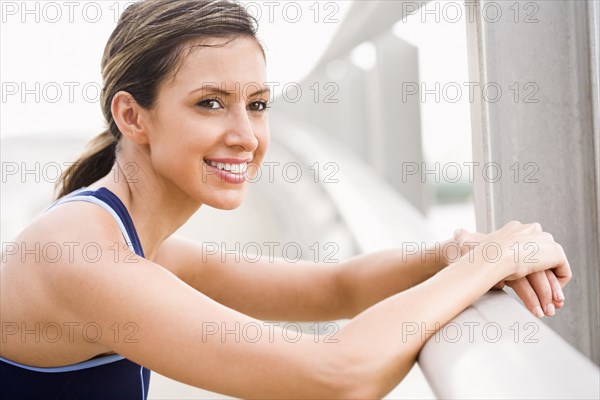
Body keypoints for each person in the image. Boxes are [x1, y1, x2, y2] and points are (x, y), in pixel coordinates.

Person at [0, 0, 572, 398]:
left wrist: (452, 254)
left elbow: (334, 288)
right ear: (132, 115)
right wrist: (489, 263)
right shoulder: (81, 254)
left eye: (258, 103)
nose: (246, 135)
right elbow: (337, 374)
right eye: (210, 103)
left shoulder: (136, 242)